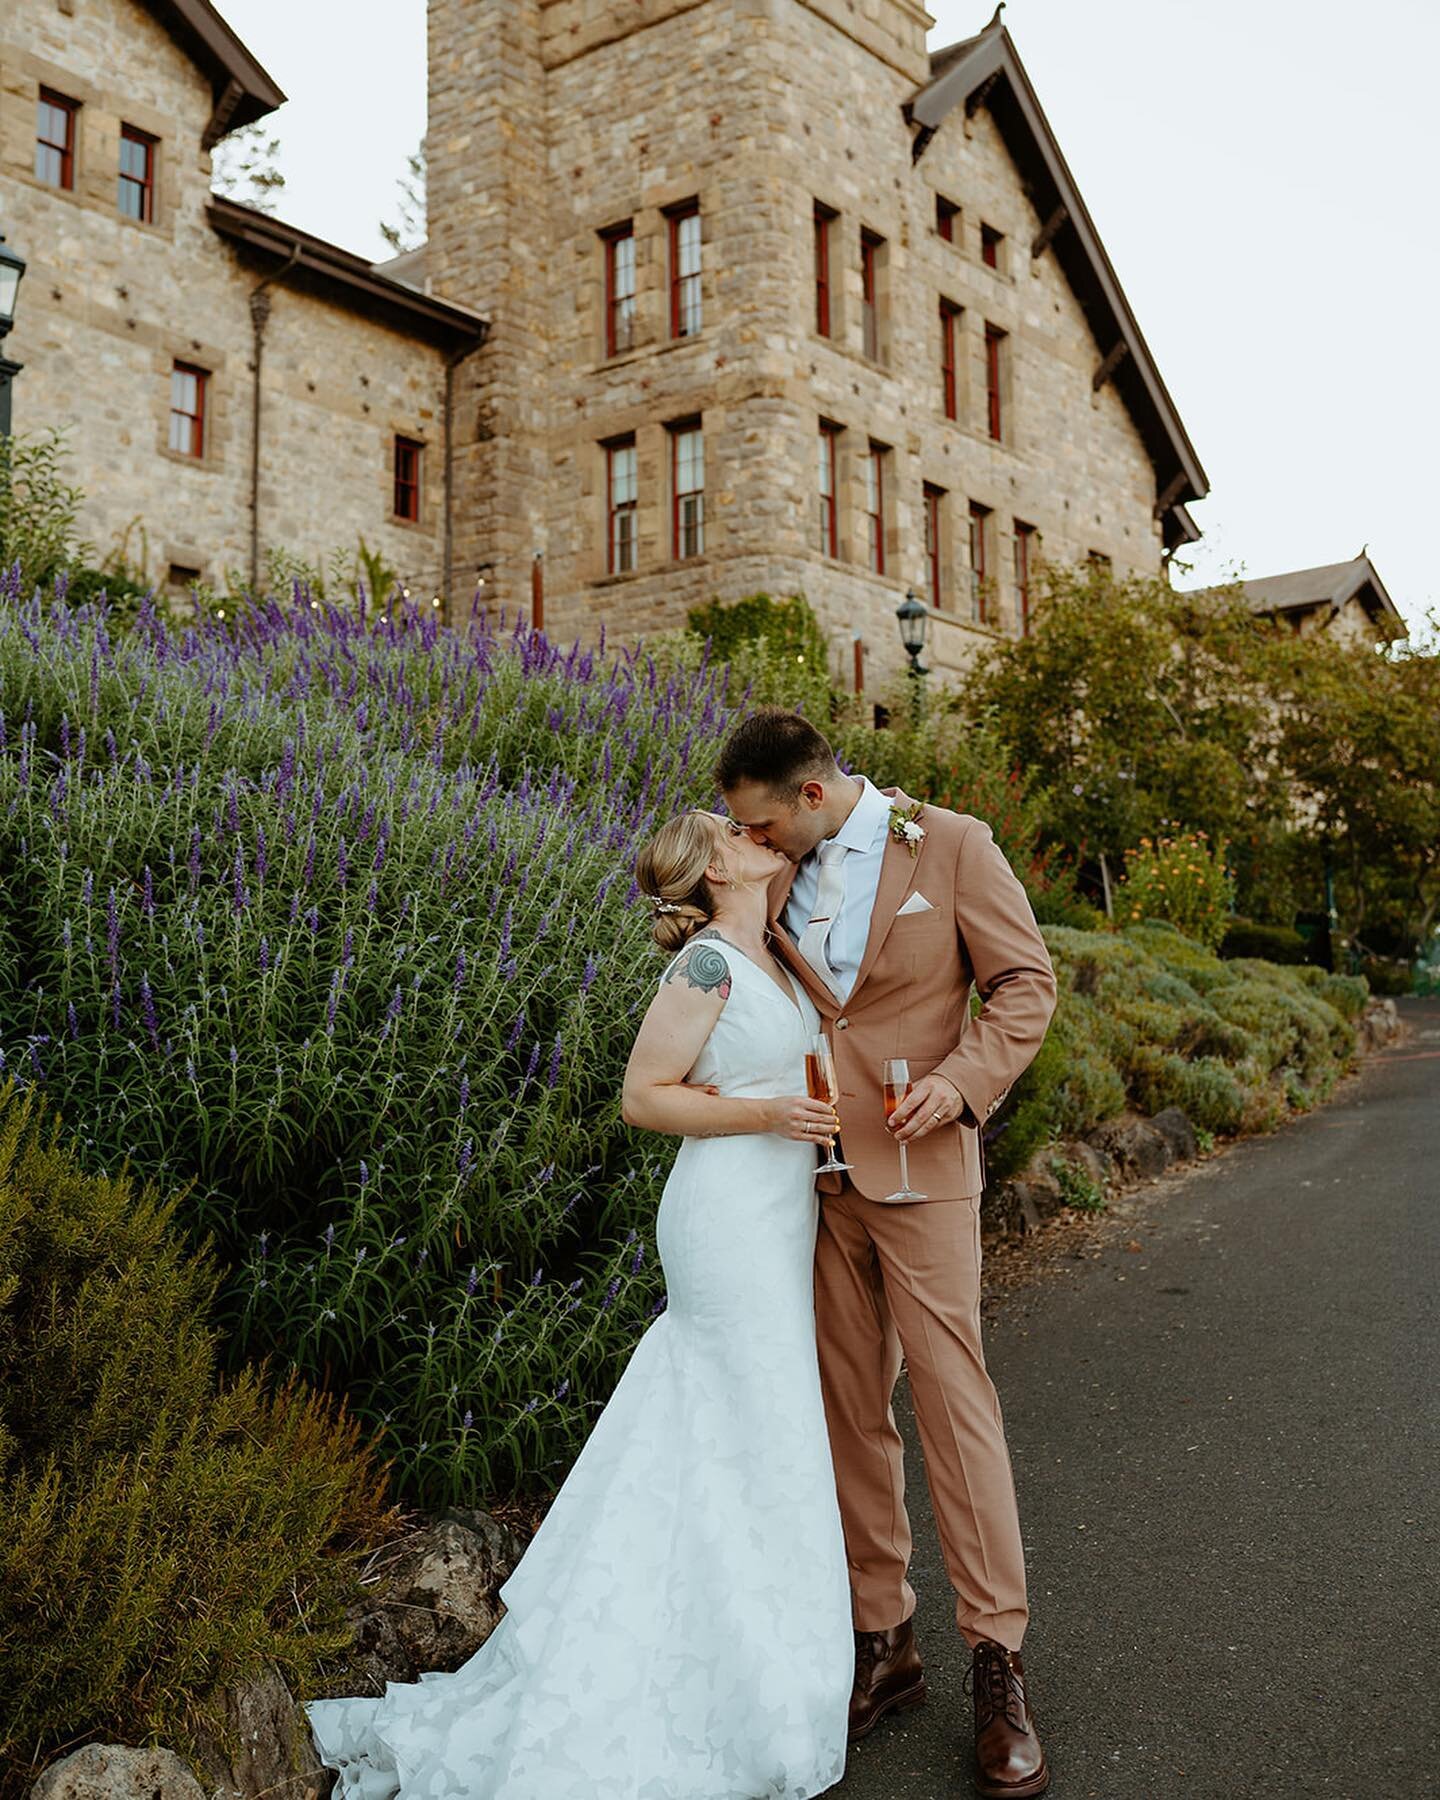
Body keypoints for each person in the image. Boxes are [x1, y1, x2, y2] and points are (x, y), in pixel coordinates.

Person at [304, 808, 855, 1799]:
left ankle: (760, 1658)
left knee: (759, 1430)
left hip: (779, 1216)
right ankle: (715, 1677)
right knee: (739, 1421)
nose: (761, 831)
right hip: (725, 1220)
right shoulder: (705, 970)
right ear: (716, 867)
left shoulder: (769, 950)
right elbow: (644, 1096)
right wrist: (770, 1113)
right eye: (739, 829)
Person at [716, 706, 1057, 1800]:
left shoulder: (951, 845)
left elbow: (1024, 985)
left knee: (955, 1410)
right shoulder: (768, 870)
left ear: (813, 797)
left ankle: (997, 1663)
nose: (755, 843)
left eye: (764, 826)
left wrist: (962, 1084)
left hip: (922, 1172)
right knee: (846, 1414)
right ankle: (886, 1638)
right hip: (807, 1188)